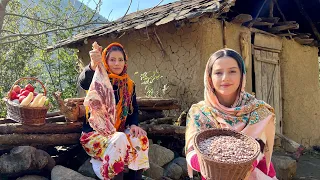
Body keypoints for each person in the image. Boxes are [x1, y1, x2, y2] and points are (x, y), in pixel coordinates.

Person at [185, 48, 277, 179]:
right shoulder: (199, 112)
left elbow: (259, 148)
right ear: (209, 78)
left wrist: (240, 166)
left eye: (232, 71)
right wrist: (214, 166)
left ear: (242, 75)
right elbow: (191, 151)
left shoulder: (259, 110)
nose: (225, 78)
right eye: (218, 73)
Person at [78, 42, 149, 180]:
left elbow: (133, 110)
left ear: (125, 61)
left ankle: (136, 178)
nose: (117, 63)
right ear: (106, 61)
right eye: (112, 59)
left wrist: (134, 124)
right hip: (94, 136)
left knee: (140, 138)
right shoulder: (99, 77)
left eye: (120, 59)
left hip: (117, 133)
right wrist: (93, 64)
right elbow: (84, 82)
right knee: (120, 138)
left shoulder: (128, 84)